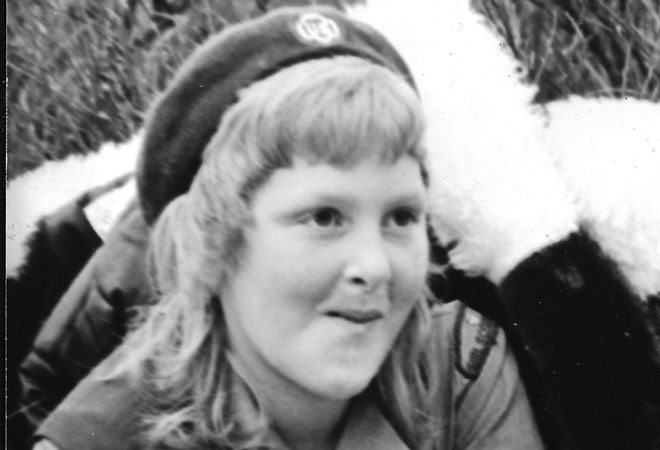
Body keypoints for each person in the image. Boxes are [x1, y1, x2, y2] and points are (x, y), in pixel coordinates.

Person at [30, 9, 541, 449]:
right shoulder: (107, 437)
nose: (375, 265)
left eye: (401, 217)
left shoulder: (456, 373)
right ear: (211, 244)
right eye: (324, 218)